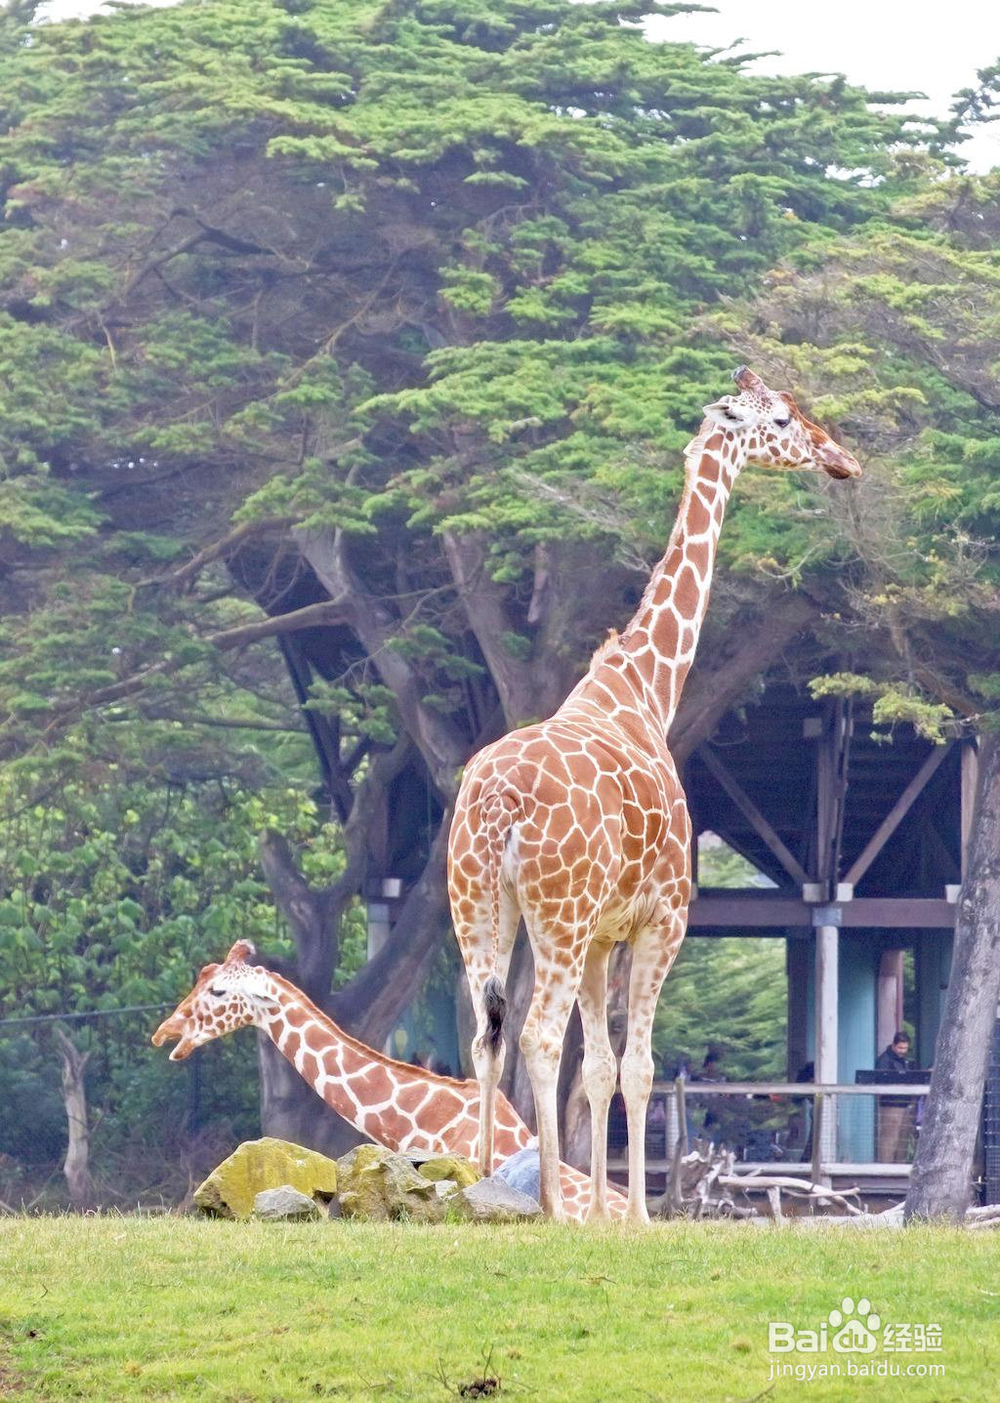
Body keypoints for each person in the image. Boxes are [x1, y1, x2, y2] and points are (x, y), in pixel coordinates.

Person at [875, 1031, 915, 1163]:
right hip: (891, 1104)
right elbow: (880, 1081)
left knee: (903, 1139)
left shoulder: (903, 1060)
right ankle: (885, 1168)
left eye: (905, 1048)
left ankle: (900, 1166)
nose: (902, 1051)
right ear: (893, 1045)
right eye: (900, 1048)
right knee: (889, 1138)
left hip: (904, 1103)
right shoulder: (884, 1060)